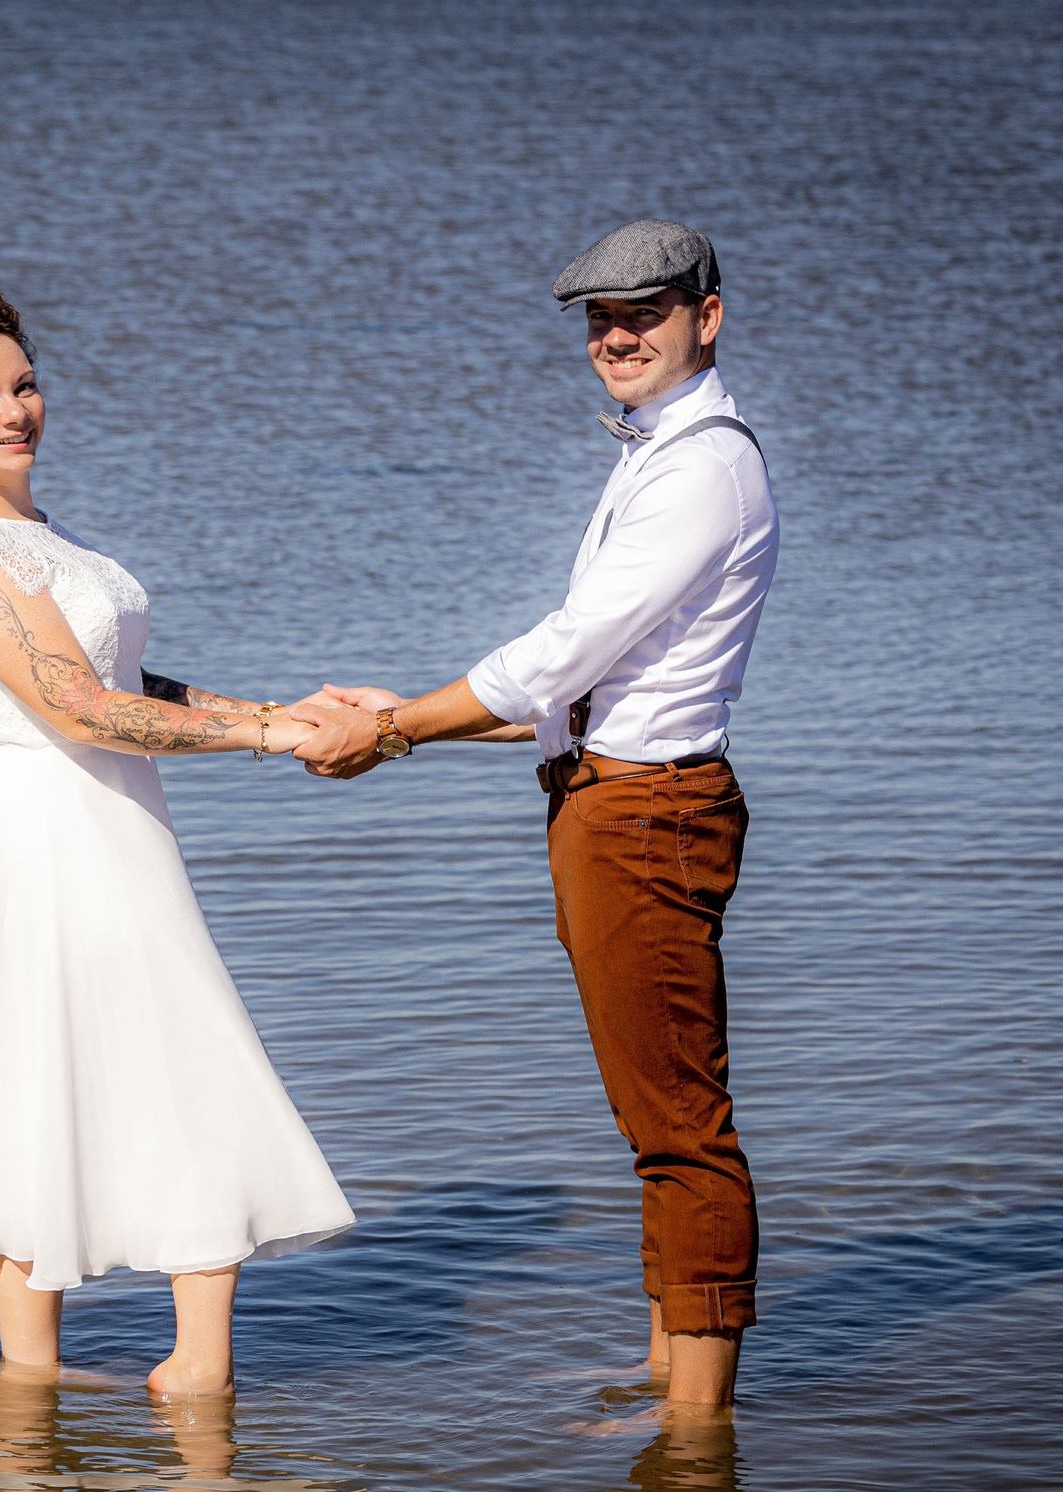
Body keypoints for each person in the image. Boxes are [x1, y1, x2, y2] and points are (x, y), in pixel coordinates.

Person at [292, 220, 777, 1410]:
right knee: (653, 1106)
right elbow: (586, 689)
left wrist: (397, 730)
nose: (616, 337)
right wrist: (407, 712)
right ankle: (666, 1369)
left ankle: (694, 1430)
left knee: (678, 1119)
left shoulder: (701, 469)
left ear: (706, 318)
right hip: (615, 802)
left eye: (644, 314)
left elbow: (561, 654)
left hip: (646, 816)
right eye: (600, 321)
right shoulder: (661, 455)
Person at [0, 278, 354, 1398]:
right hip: (49, 838)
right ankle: (159, 1383)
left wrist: (274, 710)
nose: (14, 413)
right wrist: (268, 738)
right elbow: (78, 708)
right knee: (129, 1068)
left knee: (86, 1071)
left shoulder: (33, 535)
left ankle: (48, 1408)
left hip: (109, 823)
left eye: (24, 385)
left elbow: (126, 678)